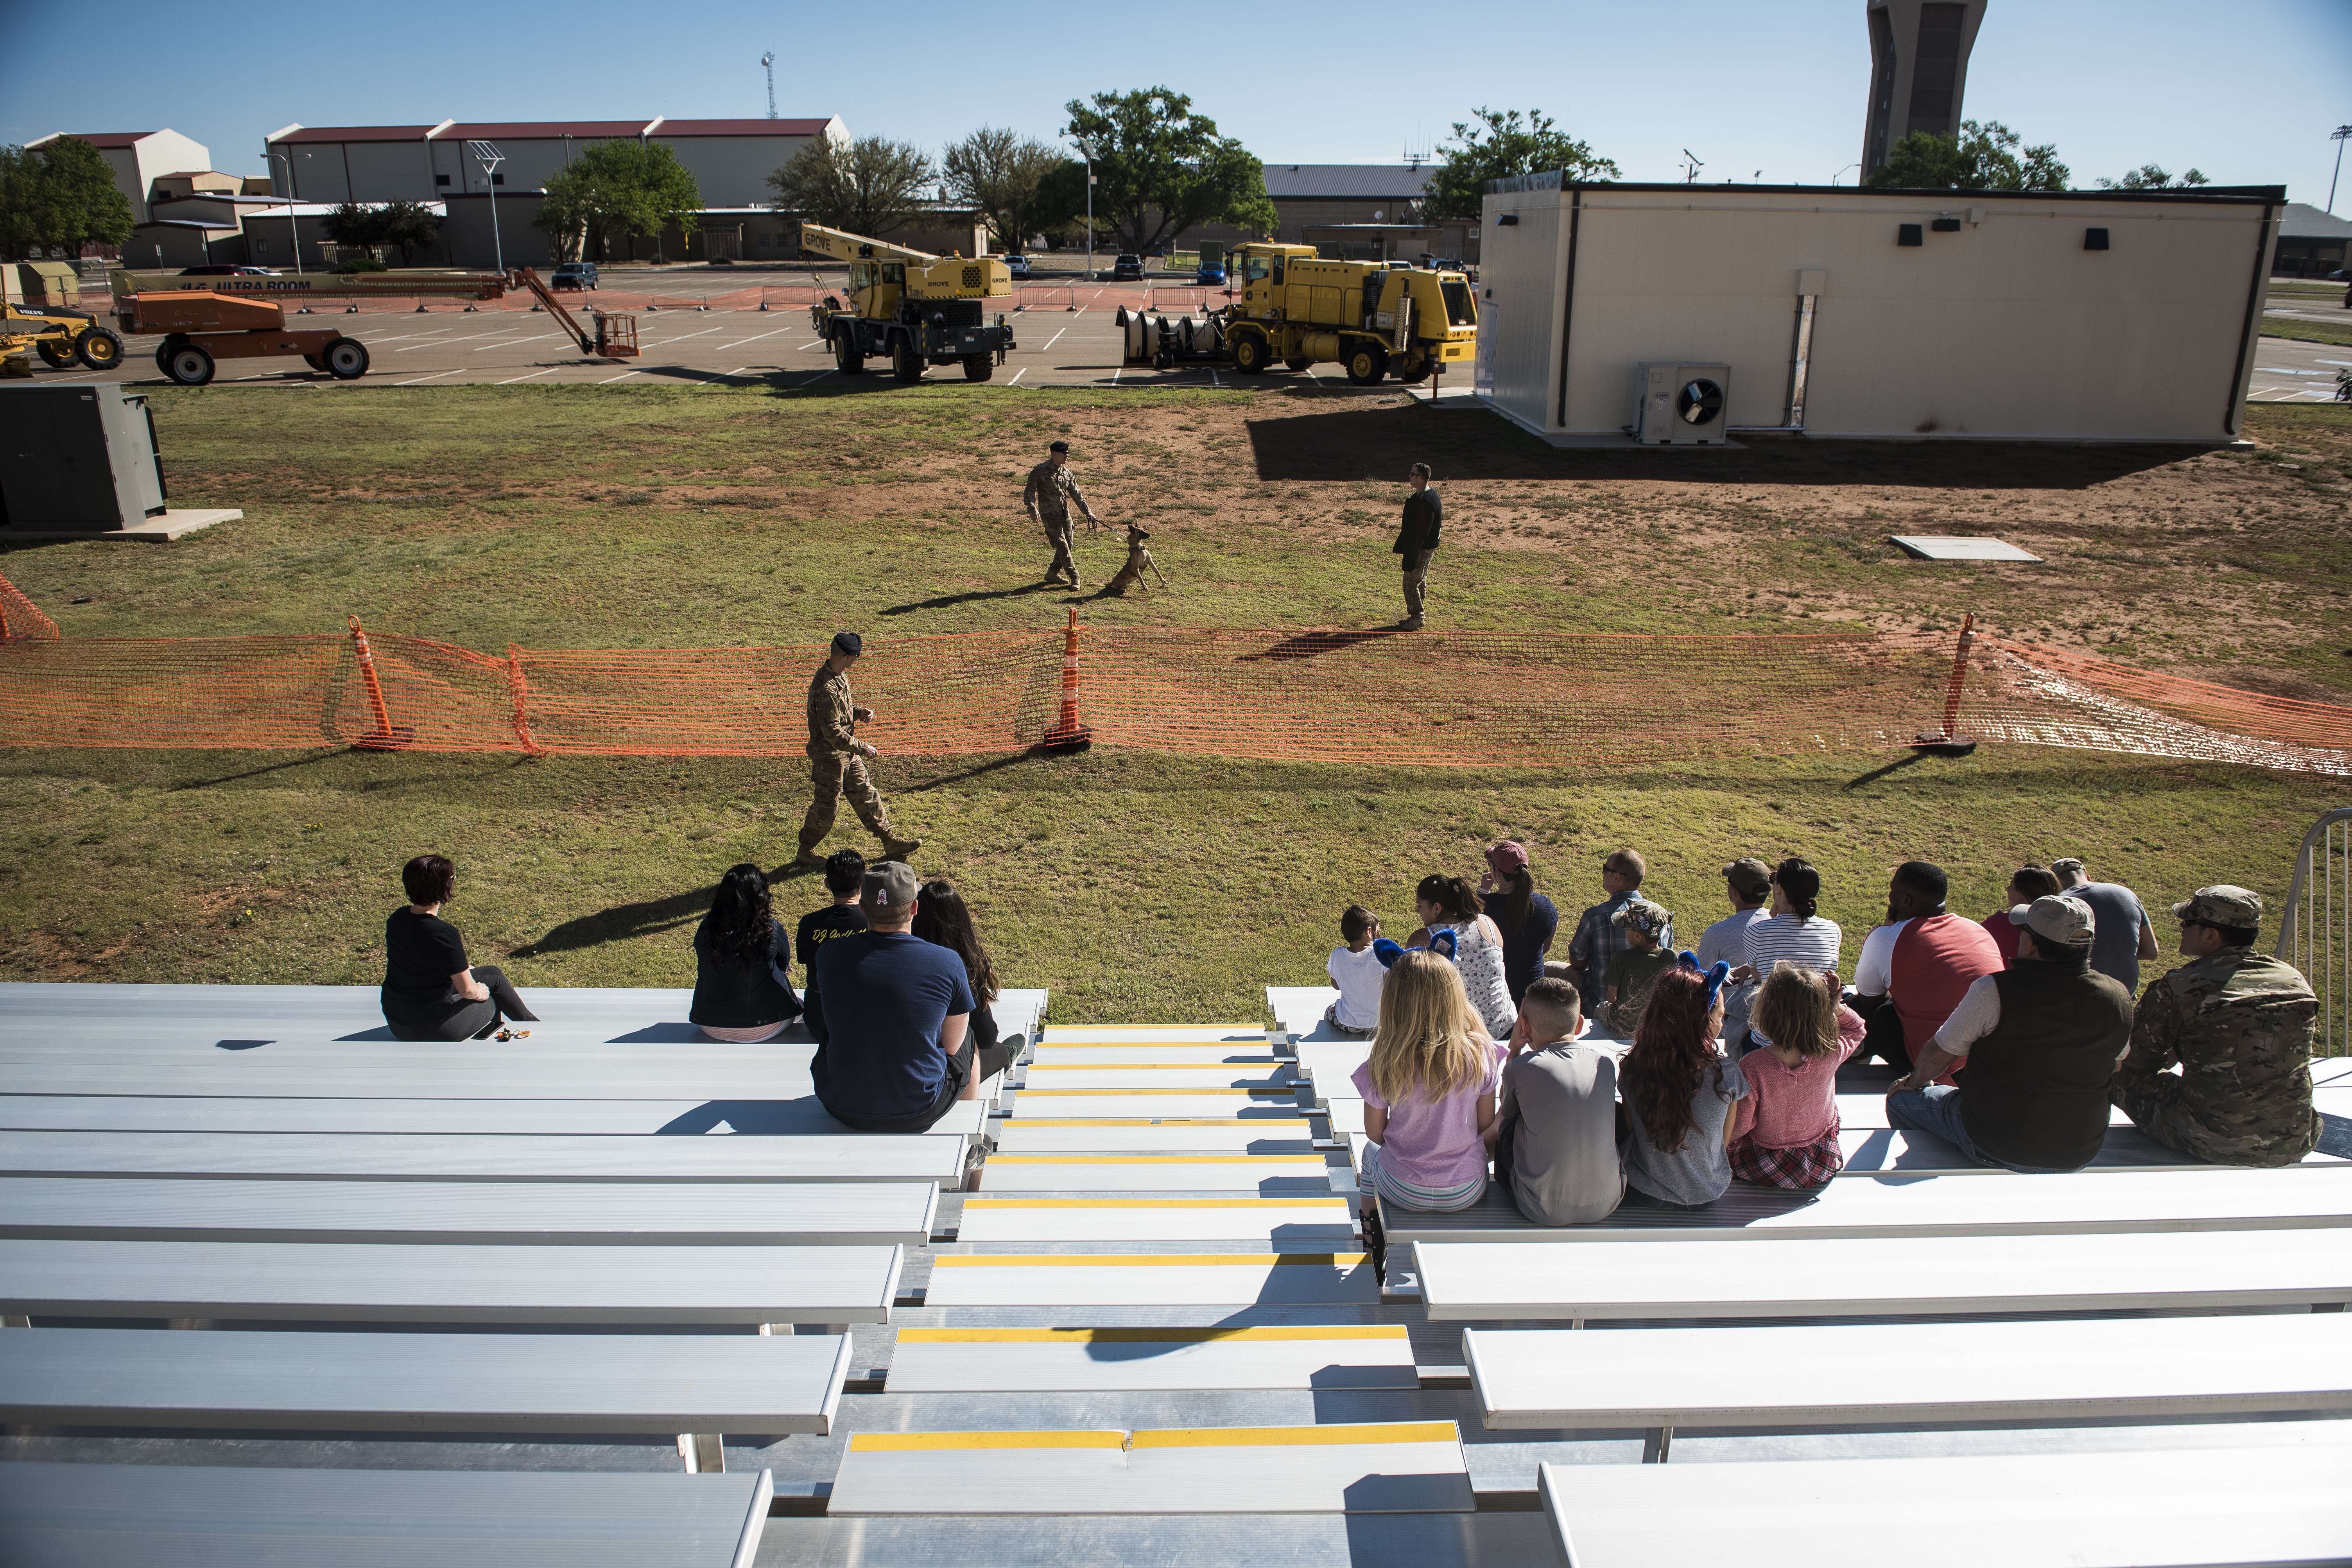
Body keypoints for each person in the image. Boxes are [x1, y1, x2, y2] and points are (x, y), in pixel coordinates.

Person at [1885, 893, 2133, 1173]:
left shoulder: (1993, 990)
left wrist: (1914, 1083)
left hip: (1994, 1142)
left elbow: (1939, 1052)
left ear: (2034, 943)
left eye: (2023, 931)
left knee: (1899, 1100)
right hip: (2081, 1150)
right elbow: (2116, 1063)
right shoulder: (2119, 996)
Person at [2114, 885, 2322, 1168]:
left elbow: (2133, 1062)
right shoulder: (2294, 980)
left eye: (2188, 922)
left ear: (2211, 935)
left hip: (2210, 1138)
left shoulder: (2180, 987)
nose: (2181, 927)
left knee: (2113, 1075)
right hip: (2294, 1139)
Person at [810, 860, 977, 1133]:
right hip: (919, 1109)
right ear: (915, 908)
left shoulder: (828, 955)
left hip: (840, 1105)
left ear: (862, 908)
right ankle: (970, 1132)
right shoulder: (947, 962)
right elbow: (952, 1046)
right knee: (967, 1032)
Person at [1349, 950, 1500, 1214]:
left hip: (1401, 1186)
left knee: (1367, 1153)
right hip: (1468, 1187)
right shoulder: (1481, 1053)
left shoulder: (1385, 1060)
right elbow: (1485, 1124)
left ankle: (1371, 1232)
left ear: (1394, 1002)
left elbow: (1375, 1134)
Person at [1849, 860, 2003, 1079]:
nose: (1889, 897)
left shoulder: (1888, 938)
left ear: (1905, 901)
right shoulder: (1976, 929)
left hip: (1938, 1067)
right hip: (1990, 1065)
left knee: (1858, 1012)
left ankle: (1851, 1075)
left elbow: (1869, 1000)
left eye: (1892, 891)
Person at [1490, 976, 1624, 1224]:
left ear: (1525, 1026)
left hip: (1539, 1209)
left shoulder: (1520, 1068)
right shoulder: (1604, 1065)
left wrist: (1515, 1051)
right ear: (1580, 1024)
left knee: (1512, 1122)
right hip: (1608, 1203)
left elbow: (1506, 1114)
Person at [1617, 958, 1748, 1208]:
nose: (1722, 1023)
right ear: (1706, 1021)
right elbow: (1722, 1143)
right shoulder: (1727, 1075)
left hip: (1641, 1190)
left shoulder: (1633, 1067)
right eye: (1720, 1016)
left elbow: (1633, 1130)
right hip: (1706, 1194)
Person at [1726, 963, 1864, 1188]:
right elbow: (1857, 1030)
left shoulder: (1752, 1066)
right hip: (1820, 1158)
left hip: (1768, 1160)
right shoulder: (1832, 1052)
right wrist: (1836, 1008)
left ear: (1767, 1012)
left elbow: (1742, 1125)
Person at [379, 853, 540, 1041]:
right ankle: (535, 1032)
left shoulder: (398, 919)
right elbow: (468, 991)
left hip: (397, 1022)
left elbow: (421, 962)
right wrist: (480, 992)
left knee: (492, 974)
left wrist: (465, 971)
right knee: (493, 997)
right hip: (434, 1028)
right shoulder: (443, 933)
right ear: (444, 886)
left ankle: (531, 1023)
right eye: (452, 877)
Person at [797, 631, 919, 867]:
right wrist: (864, 748)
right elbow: (832, 733)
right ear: (845, 655)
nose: (856, 660)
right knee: (827, 808)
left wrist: (859, 713)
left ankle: (889, 840)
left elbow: (842, 711)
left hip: (846, 752)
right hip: (829, 758)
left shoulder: (839, 677)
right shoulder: (825, 688)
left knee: (865, 793)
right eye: (855, 656)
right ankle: (806, 850)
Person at [912, 877, 1018, 1084]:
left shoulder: (902, 957)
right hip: (934, 1072)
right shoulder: (956, 967)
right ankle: (1008, 1054)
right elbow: (987, 1036)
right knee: (996, 1050)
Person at [1727, 858, 1842, 1037]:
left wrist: (1772, 923)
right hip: (1815, 1036)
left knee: (1737, 1009)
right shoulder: (1833, 930)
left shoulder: (1756, 931)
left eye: (1774, 879)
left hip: (1770, 1037)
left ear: (1779, 888)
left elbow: (1761, 977)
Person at [688, 864, 802, 1041]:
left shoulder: (707, 927)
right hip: (761, 1027)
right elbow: (784, 964)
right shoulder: (769, 928)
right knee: (800, 1003)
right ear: (760, 895)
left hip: (709, 1024)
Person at [1403, 873, 1517, 1039]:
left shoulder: (1421, 940)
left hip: (1463, 1040)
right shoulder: (1487, 923)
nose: (1417, 911)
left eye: (1420, 906)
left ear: (1437, 908)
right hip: (1507, 1030)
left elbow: (1409, 991)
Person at [1567, 849, 1668, 1021]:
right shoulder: (1661, 917)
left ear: (1617, 877)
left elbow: (1577, 961)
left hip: (1602, 1009)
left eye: (1605, 868)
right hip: (1649, 1014)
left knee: (1559, 971)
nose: (1603, 872)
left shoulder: (1595, 916)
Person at [2051, 857, 2159, 995]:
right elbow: (2152, 951)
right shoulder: (2126, 893)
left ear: (2056, 883)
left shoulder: (2060, 902)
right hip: (2123, 993)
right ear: (2088, 877)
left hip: (2080, 994)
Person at [1696, 857, 1774, 1046]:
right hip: (1774, 1026)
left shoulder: (1717, 933)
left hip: (1728, 1031)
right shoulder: (1781, 926)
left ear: (1734, 892)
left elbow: (1701, 984)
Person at [795, 849, 867, 1045]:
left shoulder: (809, 923)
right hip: (866, 1023)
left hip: (819, 1024)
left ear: (827, 884)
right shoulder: (875, 924)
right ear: (863, 884)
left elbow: (804, 959)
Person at [1479, 841, 1559, 1005]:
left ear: (1498, 874)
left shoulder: (1484, 907)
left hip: (1496, 994)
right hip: (1534, 995)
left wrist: (1482, 892)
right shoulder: (1546, 906)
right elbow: (1546, 948)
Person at [1024, 439, 1101, 589]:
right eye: (1064, 454)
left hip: (1065, 516)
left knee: (1068, 544)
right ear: (1055, 453)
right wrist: (1032, 507)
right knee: (1062, 544)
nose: (1067, 456)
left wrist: (1088, 512)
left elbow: (1077, 495)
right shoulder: (1040, 471)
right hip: (1049, 516)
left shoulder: (1067, 473)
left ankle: (1052, 573)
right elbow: (1029, 491)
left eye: (1067, 454)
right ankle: (1075, 577)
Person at [1602, 896, 1678, 1038]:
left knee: (1599, 1009)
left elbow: (1612, 998)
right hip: (1656, 1025)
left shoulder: (1622, 958)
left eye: (1627, 929)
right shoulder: (1672, 957)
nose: (1625, 932)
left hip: (1623, 1025)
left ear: (1638, 936)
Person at [1391, 461, 1441, 630]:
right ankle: (1416, 615)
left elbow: (1420, 533)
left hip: (1421, 548)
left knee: (1410, 583)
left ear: (1420, 478)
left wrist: (1411, 556)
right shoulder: (1430, 494)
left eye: (1413, 475)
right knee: (1419, 581)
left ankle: (1417, 617)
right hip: (1427, 547)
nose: (1410, 477)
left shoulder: (1423, 501)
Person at [1324, 904, 1386, 1037]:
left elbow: (1336, 986)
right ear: (1369, 932)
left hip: (1347, 1023)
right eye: (1378, 932)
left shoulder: (1337, 955)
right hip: (1378, 1024)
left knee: (1330, 1010)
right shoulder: (1381, 956)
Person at [1981, 865, 2060, 967]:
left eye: (2011, 886)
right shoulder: (2062, 923)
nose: (2007, 889)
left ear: (2021, 894)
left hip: (2004, 981)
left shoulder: (1996, 924)